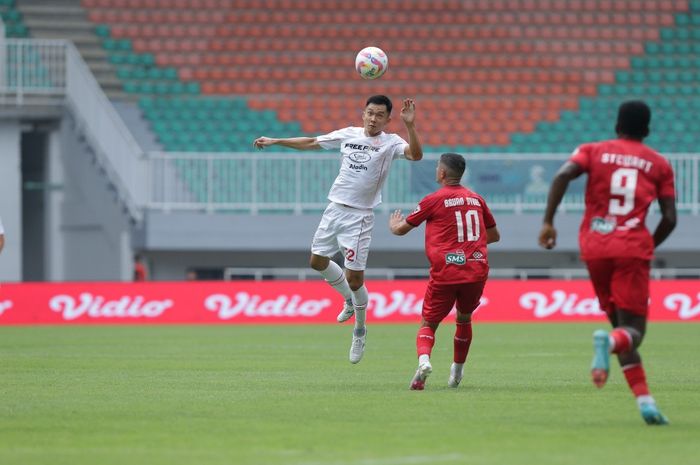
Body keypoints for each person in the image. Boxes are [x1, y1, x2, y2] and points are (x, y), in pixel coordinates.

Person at [254, 95, 423, 364]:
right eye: (370, 113)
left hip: (359, 217)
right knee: (317, 261)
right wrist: (276, 141)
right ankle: (348, 300)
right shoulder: (349, 135)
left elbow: (415, 155)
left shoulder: (391, 143)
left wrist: (410, 126)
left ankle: (360, 330)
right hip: (334, 209)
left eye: (380, 115)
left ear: (388, 119)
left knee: (355, 279)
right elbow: (311, 142)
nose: (373, 119)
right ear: (363, 113)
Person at [538, 100, 677, 425]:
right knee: (633, 332)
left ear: (617, 126)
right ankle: (607, 343)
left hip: (594, 247)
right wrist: (646, 245)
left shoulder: (592, 150)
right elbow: (670, 217)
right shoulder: (658, 163)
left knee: (622, 329)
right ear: (647, 130)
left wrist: (548, 222)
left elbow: (561, 176)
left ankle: (646, 404)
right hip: (631, 249)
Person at [389, 153, 500, 390]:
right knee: (464, 317)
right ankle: (457, 371)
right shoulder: (476, 199)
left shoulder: (433, 200)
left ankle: (424, 362)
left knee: (428, 322)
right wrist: (469, 245)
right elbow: (494, 235)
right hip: (476, 270)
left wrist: (393, 225)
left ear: (441, 173)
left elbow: (400, 230)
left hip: (447, 272)